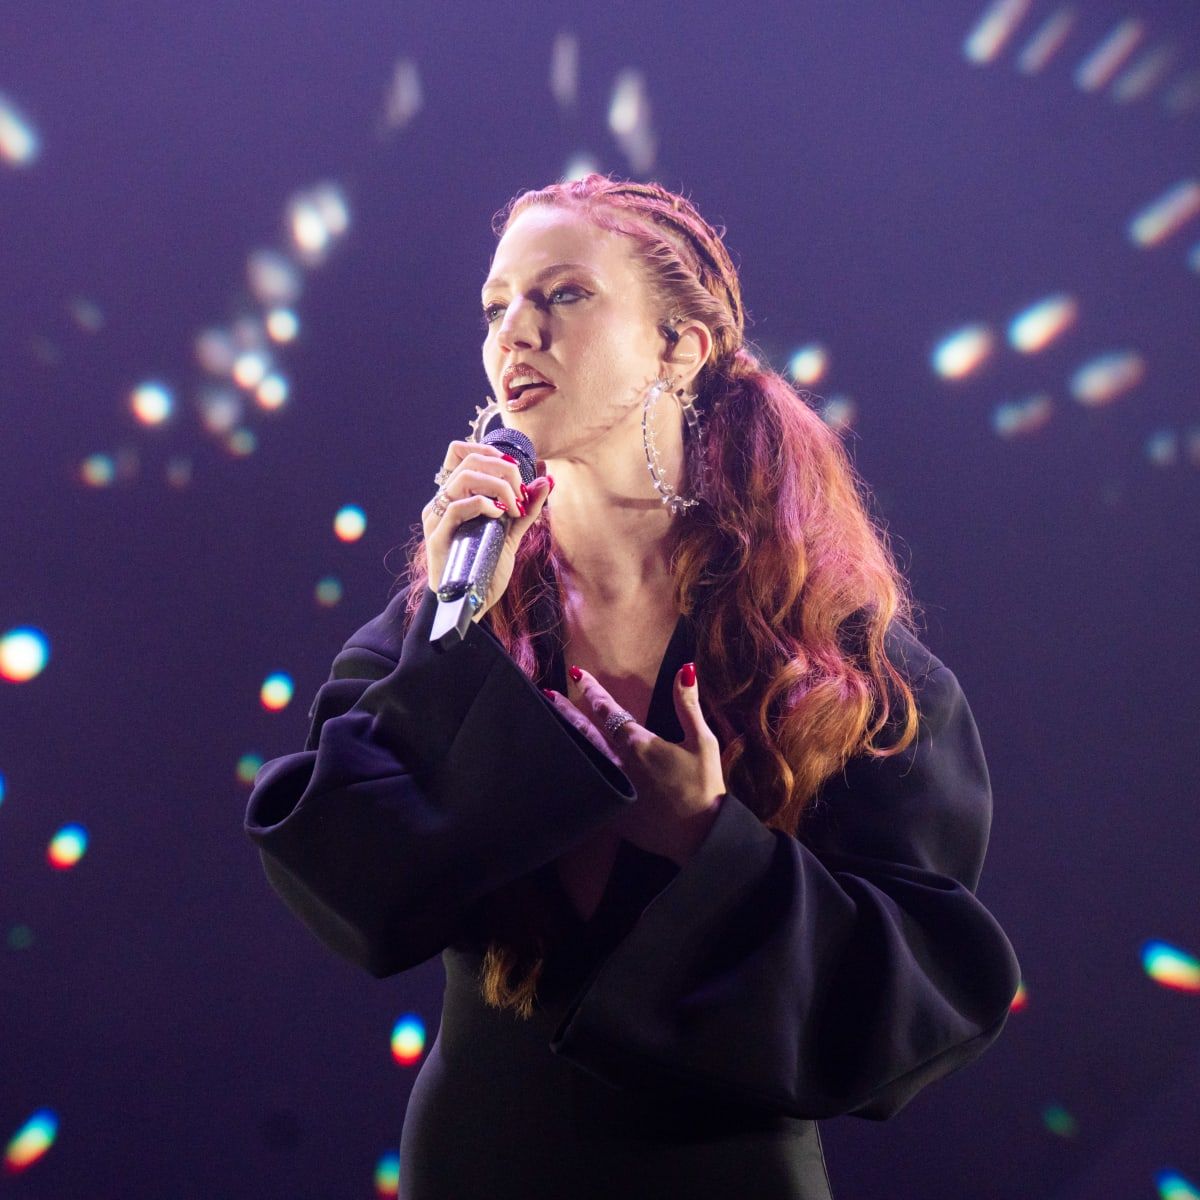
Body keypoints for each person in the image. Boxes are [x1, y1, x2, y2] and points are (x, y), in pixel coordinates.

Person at [244, 174, 1021, 1199]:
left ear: (681, 346)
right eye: (495, 305)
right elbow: (348, 892)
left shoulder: (840, 663)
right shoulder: (444, 618)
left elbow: (924, 997)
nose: (515, 331)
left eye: (562, 294)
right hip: (480, 1163)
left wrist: (713, 845)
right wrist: (447, 638)